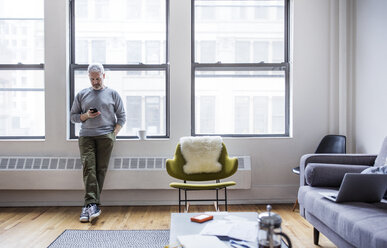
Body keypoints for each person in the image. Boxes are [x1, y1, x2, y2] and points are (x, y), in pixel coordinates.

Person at [70, 63, 126, 223]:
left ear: (104, 76)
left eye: (97, 78)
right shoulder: (82, 94)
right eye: (92, 79)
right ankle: (91, 204)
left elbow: (122, 117)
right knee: (89, 169)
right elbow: (73, 117)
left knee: (100, 171)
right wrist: (86, 116)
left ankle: (88, 207)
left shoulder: (113, 94)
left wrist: (112, 135)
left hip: (105, 137)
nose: (95, 81)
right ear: (89, 78)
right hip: (86, 136)